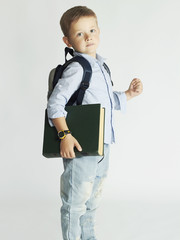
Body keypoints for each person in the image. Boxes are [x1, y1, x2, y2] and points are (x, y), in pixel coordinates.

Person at [47, 5, 143, 240]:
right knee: (75, 204)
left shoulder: (100, 66)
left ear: (99, 31)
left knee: (91, 203)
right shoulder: (78, 69)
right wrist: (64, 135)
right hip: (81, 147)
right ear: (68, 40)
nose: (88, 37)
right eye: (80, 33)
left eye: (92, 30)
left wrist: (128, 95)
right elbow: (54, 104)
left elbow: (105, 101)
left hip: (102, 145)